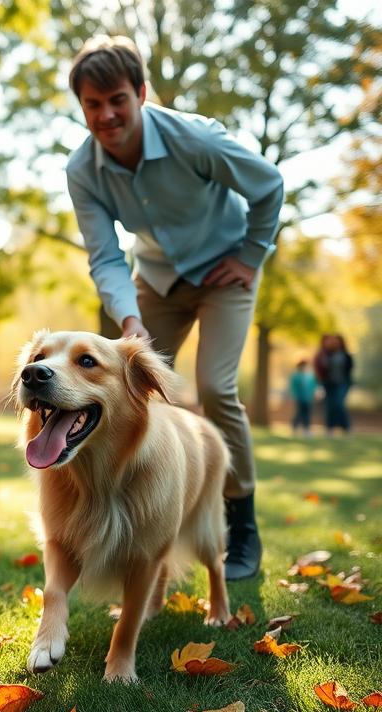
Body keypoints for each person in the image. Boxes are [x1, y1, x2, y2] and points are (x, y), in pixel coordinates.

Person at [65, 35, 284, 580]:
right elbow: (105, 255)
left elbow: (268, 185)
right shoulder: (82, 170)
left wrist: (251, 255)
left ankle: (242, 525)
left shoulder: (195, 138)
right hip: (158, 281)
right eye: (93, 104)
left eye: (117, 100)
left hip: (225, 274)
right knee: (127, 383)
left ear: (141, 93)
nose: (106, 115)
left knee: (214, 387)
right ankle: (138, 511)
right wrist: (129, 318)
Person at [314, 333, 354, 435]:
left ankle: (346, 427)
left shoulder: (346, 355)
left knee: (339, 404)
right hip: (329, 383)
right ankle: (329, 428)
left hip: (342, 383)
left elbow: (349, 369)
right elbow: (320, 368)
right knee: (330, 405)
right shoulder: (326, 354)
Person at [288, 358, 317, 436]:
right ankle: (295, 426)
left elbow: (314, 386)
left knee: (307, 413)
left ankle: (306, 429)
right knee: (299, 413)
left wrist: (315, 393)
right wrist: (294, 396)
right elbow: (293, 387)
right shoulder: (296, 376)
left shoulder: (310, 376)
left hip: (308, 398)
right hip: (299, 398)